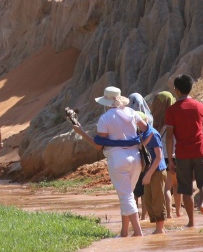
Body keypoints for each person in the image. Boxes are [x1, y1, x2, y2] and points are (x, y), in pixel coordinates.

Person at [73, 86, 148, 237]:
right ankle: (124, 232)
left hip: (118, 159)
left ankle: (138, 233)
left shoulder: (105, 118)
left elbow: (98, 145)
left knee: (126, 196)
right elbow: (147, 129)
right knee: (127, 194)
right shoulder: (132, 112)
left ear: (107, 102)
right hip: (136, 159)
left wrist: (81, 132)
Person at [164, 74, 203, 227]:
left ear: (177, 90)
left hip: (182, 155)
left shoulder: (171, 111)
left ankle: (191, 222)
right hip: (201, 152)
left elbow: (169, 137)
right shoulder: (201, 107)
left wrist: (171, 160)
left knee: (186, 189)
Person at [151, 90, 180, 218]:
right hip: (177, 155)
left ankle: (169, 214)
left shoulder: (156, 123)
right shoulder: (175, 119)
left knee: (167, 187)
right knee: (177, 186)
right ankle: (179, 213)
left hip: (164, 158)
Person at [141, 124, 168, 234]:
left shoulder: (153, 134)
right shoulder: (144, 134)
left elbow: (159, 156)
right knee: (149, 199)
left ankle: (160, 228)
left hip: (157, 171)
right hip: (150, 170)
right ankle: (160, 228)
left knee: (157, 199)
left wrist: (148, 174)